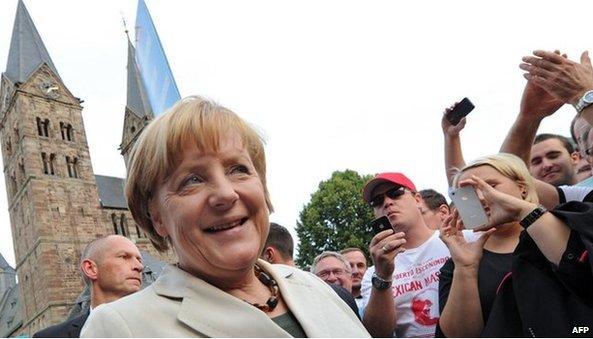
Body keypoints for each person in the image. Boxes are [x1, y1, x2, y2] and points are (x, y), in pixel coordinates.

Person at [81, 96, 369, 337]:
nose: (226, 194)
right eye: (191, 180)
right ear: (156, 217)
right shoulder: (120, 328)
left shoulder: (313, 287)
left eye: (238, 169)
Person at [437, 152, 593, 337]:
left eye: (490, 186)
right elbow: (462, 336)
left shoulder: (568, 222)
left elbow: (581, 270)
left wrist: (523, 211)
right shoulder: (459, 261)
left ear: (523, 189)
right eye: (468, 194)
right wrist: (465, 268)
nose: (480, 197)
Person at [359, 172, 476, 338]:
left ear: (417, 199)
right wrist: (383, 276)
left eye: (396, 193)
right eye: (377, 201)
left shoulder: (464, 239)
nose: (387, 202)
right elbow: (379, 333)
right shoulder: (372, 274)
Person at [34, 235, 143, 338]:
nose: (139, 266)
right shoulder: (51, 337)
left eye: (139, 260)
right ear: (90, 269)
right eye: (124, 257)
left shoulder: (157, 322)